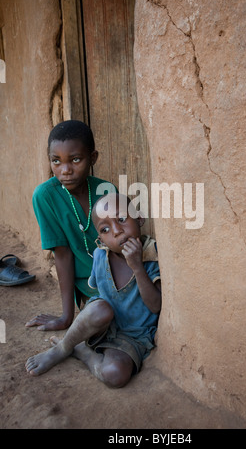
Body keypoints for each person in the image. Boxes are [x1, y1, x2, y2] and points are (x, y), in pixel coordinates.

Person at [25, 193, 161, 388]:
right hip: (101, 325)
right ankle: (63, 347)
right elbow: (97, 296)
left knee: (115, 375)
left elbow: (156, 306)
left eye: (121, 219)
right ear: (102, 240)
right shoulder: (100, 254)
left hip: (132, 337)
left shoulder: (152, 256)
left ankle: (82, 351)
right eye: (105, 229)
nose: (116, 231)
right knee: (100, 308)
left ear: (139, 218)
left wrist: (137, 267)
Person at [25, 120, 116, 332]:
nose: (65, 170)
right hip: (89, 284)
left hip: (117, 277)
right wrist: (66, 317)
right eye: (56, 161)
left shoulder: (107, 190)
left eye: (75, 160)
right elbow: (62, 254)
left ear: (92, 158)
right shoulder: (46, 196)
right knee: (106, 318)